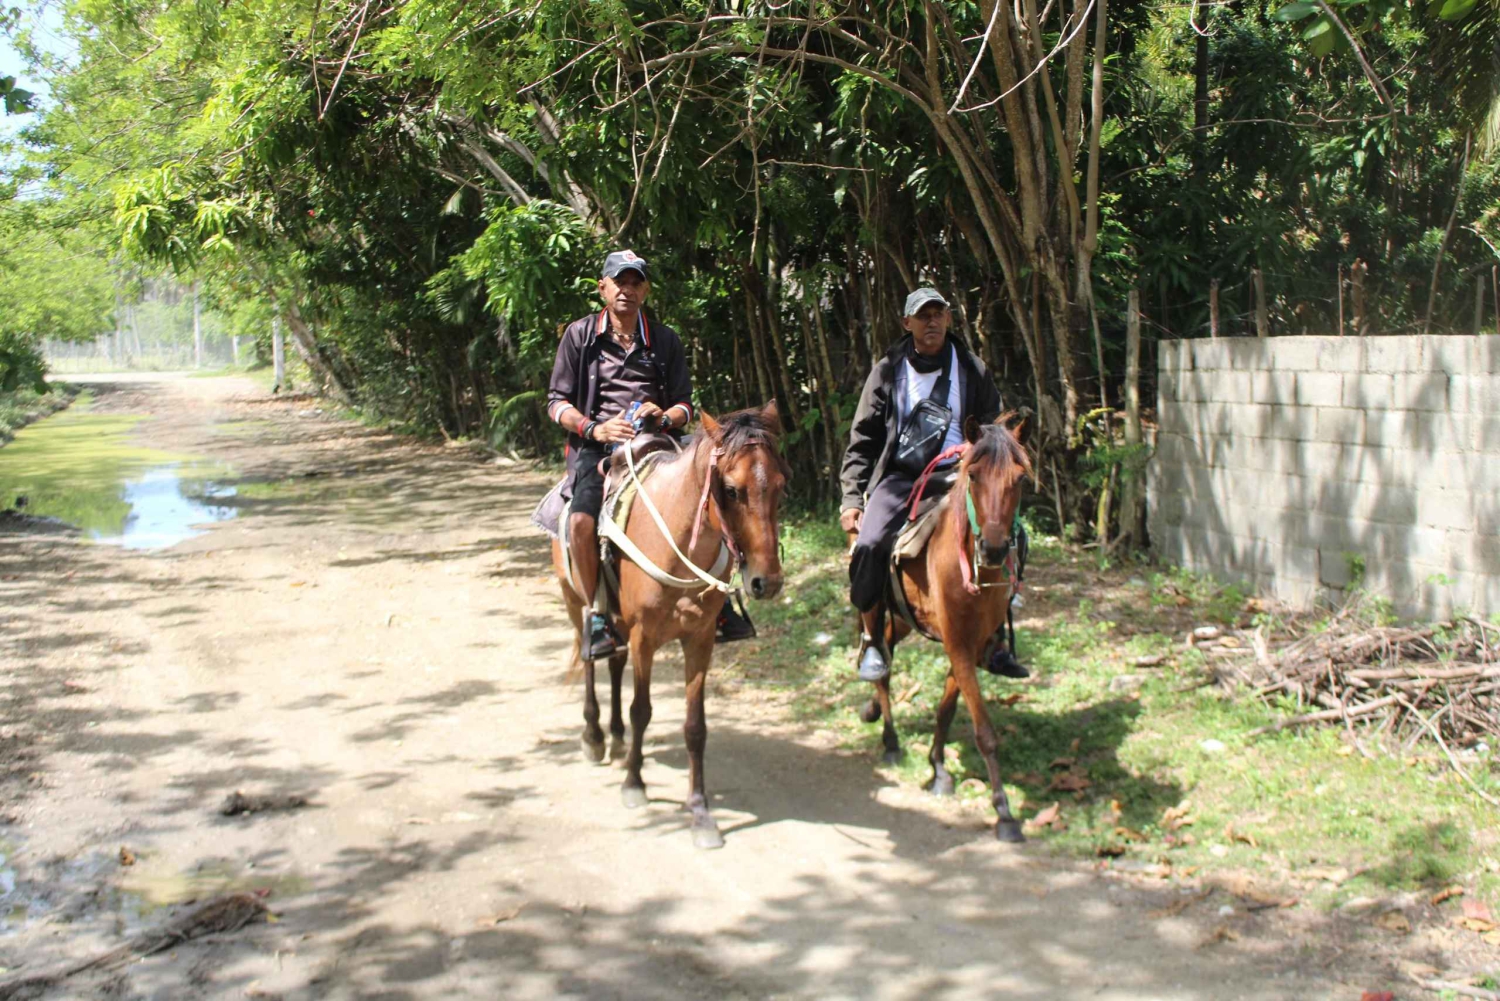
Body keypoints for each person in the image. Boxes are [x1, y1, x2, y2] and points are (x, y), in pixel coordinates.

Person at [546, 250, 753, 660]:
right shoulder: (580, 335)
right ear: (603, 287)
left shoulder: (665, 339)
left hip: (659, 445)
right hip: (597, 449)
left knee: (719, 501)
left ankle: (723, 601)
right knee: (583, 521)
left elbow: (686, 406)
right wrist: (593, 427)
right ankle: (599, 614)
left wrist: (664, 415)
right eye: (618, 281)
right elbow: (556, 402)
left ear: (646, 289)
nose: (627, 289)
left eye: (635, 282)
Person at [839, 287, 1029, 683]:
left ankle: (996, 637)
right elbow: (864, 439)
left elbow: (993, 428)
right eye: (923, 315)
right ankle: (873, 639)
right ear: (906, 323)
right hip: (901, 477)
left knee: (1011, 534)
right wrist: (852, 497)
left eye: (938, 314)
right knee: (871, 544)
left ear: (948, 319)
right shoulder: (888, 371)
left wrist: (978, 452)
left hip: (960, 474)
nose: (931, 322)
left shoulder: (971, 368)